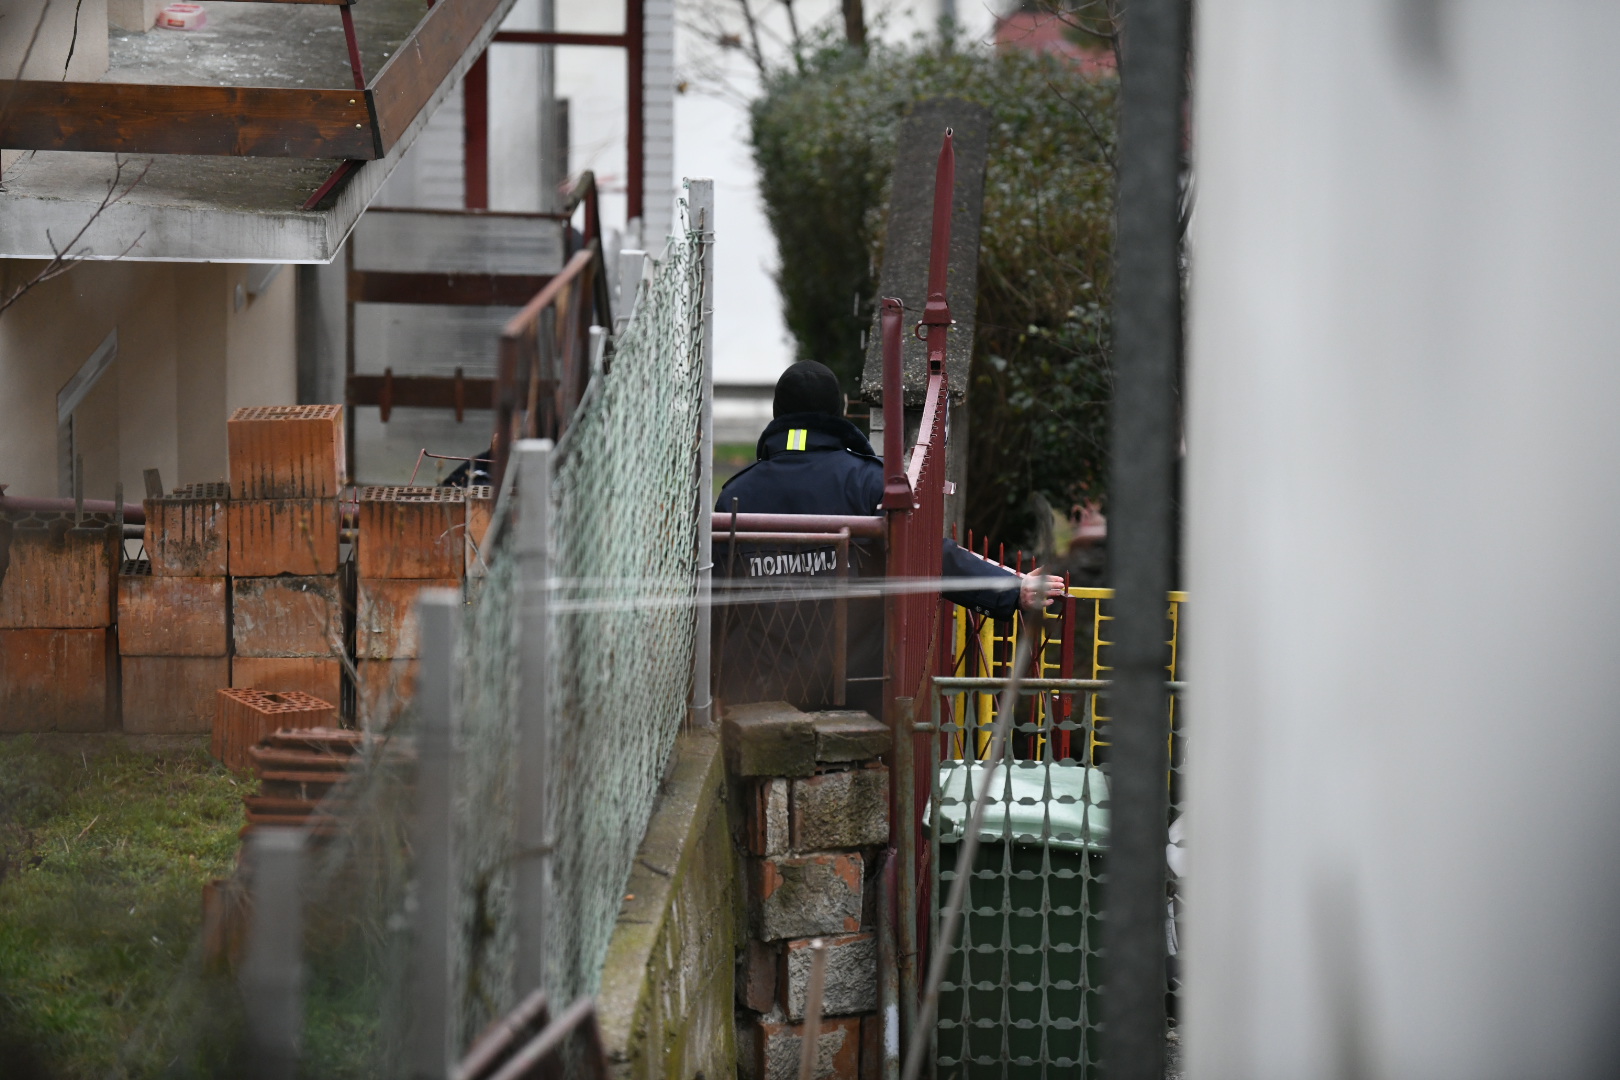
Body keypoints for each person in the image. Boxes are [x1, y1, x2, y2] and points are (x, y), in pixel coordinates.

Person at [714, 360, 1064, 713]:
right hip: (853, 697)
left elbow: (714, 605)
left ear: (778, 412)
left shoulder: (735, 494)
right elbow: (925, 553)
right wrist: (1010, 589)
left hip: (757, 695)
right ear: (840, 411)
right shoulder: (872, 483)